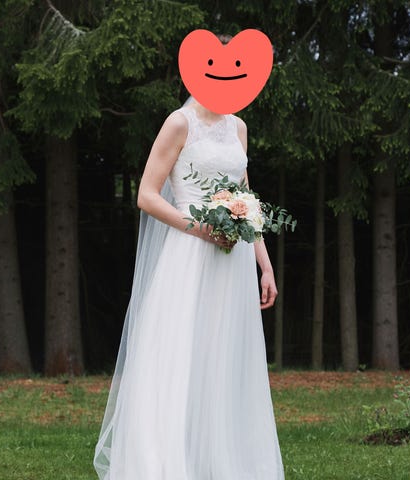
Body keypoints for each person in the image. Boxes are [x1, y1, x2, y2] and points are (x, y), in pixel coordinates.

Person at [93, 96, 285, 479]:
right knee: (180, 353)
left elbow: (246, 201)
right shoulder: (180, 123)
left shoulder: (238, 127)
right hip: (189, 256)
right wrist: (202, 230)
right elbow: (146, 195)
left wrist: (264, 265)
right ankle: (167, 461)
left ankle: (219, 459)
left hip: (232, 264)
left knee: (224, 358)